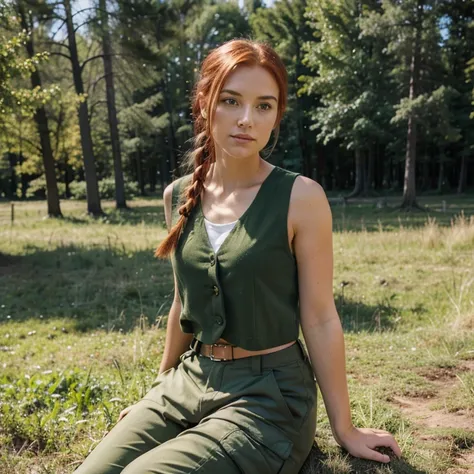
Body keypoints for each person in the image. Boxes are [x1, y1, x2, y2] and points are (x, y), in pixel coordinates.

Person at [74, 38, 401, 474]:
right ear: (206, 103)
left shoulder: (301, 197)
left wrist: (345, 427)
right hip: (188, 381)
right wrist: (157, 391)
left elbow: (320, 317)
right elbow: (181, 304)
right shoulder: (177, 196)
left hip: (269, 397)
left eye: (264, 106)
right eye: (232, 101)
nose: (247, 119)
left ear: (275, 119)